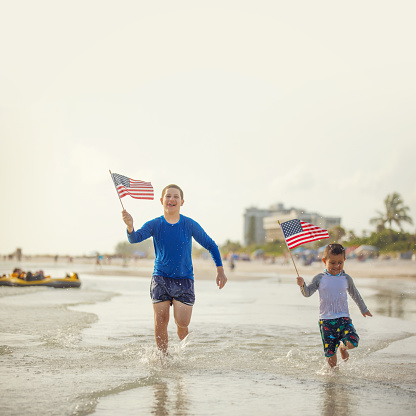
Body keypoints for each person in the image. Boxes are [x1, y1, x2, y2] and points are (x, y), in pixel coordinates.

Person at [122, 184, 227, 354]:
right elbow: (135, 238)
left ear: (182, 202)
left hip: (184, 280)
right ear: (162, 200)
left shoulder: (189, 224)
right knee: (161, 320)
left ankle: (181, 334)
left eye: (176, 196)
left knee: (183, 323)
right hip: (160, 278)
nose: (172, 199)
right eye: (168, 196)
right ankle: (163, 358)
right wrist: (130, 226)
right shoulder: (155, 224)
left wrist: (220, 270)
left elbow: (211, 245)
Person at [296, 243, 372, 368]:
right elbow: (307, 293)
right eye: (332, 263)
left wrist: (363, 309)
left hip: (344, 318)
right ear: (324, 261)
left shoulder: (346, 278)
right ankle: (333, 382)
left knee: (353, 341)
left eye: (340, 263)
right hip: (326, 320)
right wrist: (302, 285)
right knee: (331, 356)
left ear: (344, 261)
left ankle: (342, 347)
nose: (336, 266)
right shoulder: (319, 278)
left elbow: (355, 294)